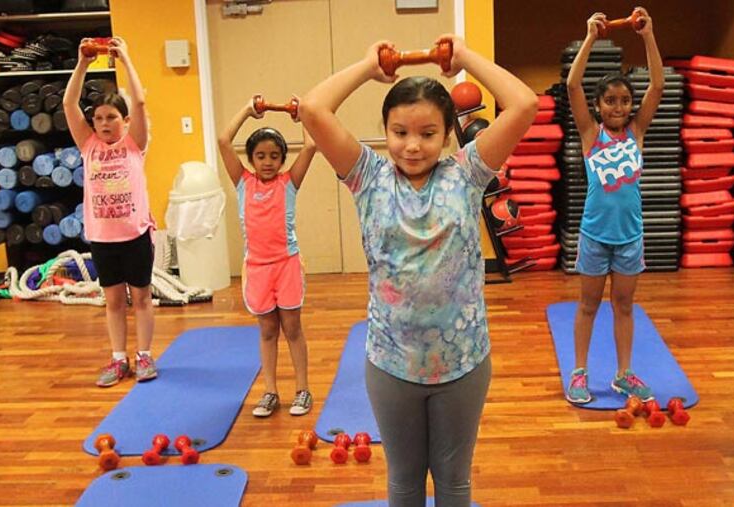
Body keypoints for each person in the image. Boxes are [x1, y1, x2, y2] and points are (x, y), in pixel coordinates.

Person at [300, 35, 537, 505]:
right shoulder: (366, 175)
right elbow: (312, 108)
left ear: (448, 134)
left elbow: (523, 104)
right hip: (392, 362)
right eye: (400, 132)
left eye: (428, 134)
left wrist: (464, 58)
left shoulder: (468, 171)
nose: (412, 146)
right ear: (385, 131)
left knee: (454, 482)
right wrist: (368, 67)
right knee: (404, 482)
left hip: (463, 362)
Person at [565, 8, 664, 404]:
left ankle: (624, 375)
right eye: (610, 100)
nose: (619, 107)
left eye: (625, 101)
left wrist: (648, 35)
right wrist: (590, 36)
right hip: (594, 236)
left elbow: (657, 84)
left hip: (629, 238)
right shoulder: (592, 134)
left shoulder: (637, 132)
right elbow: (572, 85)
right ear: (599, 104)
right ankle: (579, 373)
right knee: (588, 305)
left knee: (624, 305)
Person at [63, 37, 158, 387]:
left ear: (125, 119)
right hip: (103, 237)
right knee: (114, 301)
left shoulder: (134, 144)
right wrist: (82, 63)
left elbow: (142, 99)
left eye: (112, 117)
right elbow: (68, 102)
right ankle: (119, 358)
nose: (104, 124)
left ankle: (144, 354)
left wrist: (126, 57)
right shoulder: (88, 146)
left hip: (135, 234)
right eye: (99, 118)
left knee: (142, 297)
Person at [217, 98, 316, 417]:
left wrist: (298, 114)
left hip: (286, 265)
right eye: (260, 156)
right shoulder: (243, 182)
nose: (268, 162)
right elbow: (222, 140)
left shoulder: (289, 182)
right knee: (268, 331)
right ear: (252, 158)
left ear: (283, 159)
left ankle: (302, 390)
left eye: (275, 156)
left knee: (292, 328)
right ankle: (270, 391)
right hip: (257, 269)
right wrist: (247, 109)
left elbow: (312, 145)